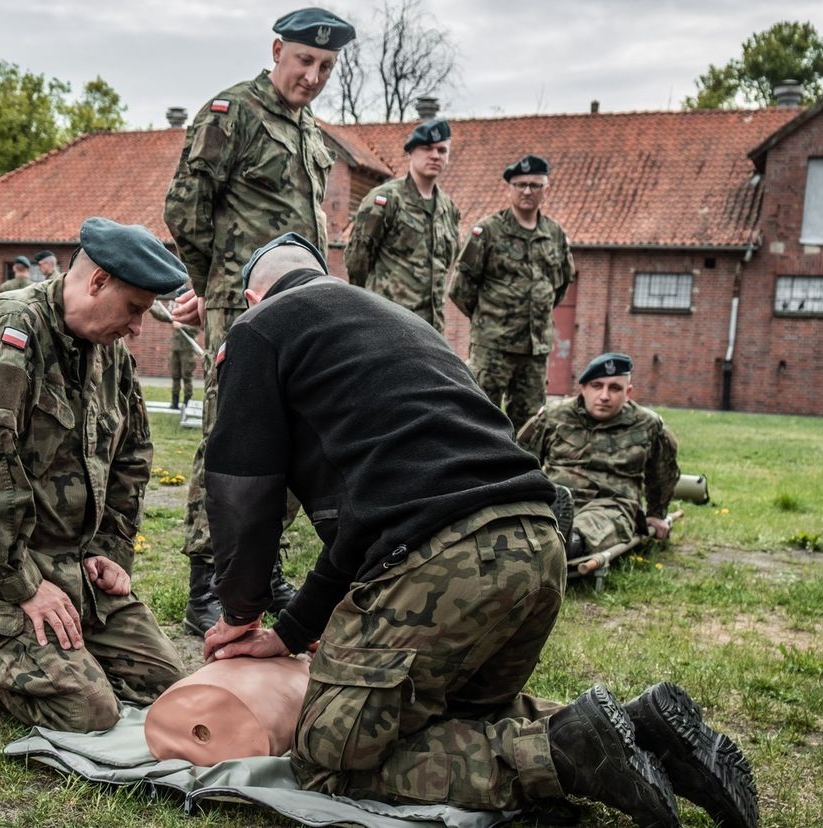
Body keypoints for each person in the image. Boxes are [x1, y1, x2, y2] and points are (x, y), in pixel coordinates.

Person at [198, 236, 758, 828]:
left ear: (253, 297)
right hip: (537, 543)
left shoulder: (260, 328)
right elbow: (363, 526)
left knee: (329, 758)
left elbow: (243, 490)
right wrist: (292, 630)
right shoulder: (399, 321)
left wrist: (239, 610)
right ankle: (647, 734)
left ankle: (567, 756)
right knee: (452, 718)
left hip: (449, 560)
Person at [0, 217, 187, 734]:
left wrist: (109, 552)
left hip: (75, 567)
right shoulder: (11, 332)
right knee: (88, 711)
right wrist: (24, 586)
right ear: (97, 282)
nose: (139, 327)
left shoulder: (111, 351)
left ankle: (44, 638)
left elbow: (133, 454)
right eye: (135, 308)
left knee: (170, 689)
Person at [164, 6, 356, 635]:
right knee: (231, 439)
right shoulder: (232, 114)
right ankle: (208, 583)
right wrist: (207, 283)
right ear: (277, 50)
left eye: (326, 66)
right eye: (305, 60)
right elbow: (185, 209)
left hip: (301, 305)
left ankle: (261, 566)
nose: (314, 75)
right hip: (241, 308)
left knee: (297, 436)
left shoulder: (311, 133)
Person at [449, 154, 575, 431]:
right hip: (493, 348)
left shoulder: (554, 234)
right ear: (510, 188)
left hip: (534, 350)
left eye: (534, 184)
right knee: (479, 417)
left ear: (546, 187)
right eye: (520, 185)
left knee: (531, 423)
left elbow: (562, 283)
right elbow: (461, 287)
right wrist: (489, 320)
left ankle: (524, 474)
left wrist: (537, 314)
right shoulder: (488, 231)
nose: (527, 191)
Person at [518, 352, 680, 561]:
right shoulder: (553, 415)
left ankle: (569, 544)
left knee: (600, 524)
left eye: (615, 388)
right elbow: (522, 458)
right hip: (557, 495)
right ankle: (541, 533)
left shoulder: (648, 425)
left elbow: (663, 473)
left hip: (611, 502)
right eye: (597, 386)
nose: (604, 396)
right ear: (583, 388)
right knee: (534, 516)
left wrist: (656, 514)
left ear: (628, 392)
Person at [345, 118, 460, 334]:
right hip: (388, 321)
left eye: (442, 150)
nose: (435, 155)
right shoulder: (386, 200)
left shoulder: (449, 209)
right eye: (427, 148)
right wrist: (367, 305)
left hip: (431, 329)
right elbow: (357, 260)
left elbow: (447, 264)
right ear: (411, 152)